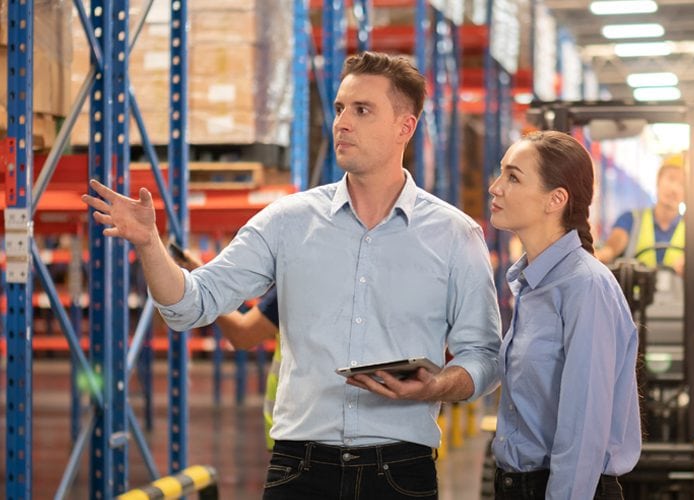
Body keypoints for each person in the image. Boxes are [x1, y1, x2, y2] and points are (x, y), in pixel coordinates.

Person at [82, 51, 502, 500]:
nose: (343, 122)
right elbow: (190, 305)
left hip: (401, 470)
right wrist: (149, 244)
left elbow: (485, 356)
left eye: (362, 110)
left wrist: (435, 386)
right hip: (299, 468)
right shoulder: (287, 222)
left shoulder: (455, 236)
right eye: (340, 109)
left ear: (405, 126)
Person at [488, 131, 641, 499]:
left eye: (513, 177)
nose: (495, 187)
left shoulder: (584, 287)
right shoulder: (533, 285)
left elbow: (583, 430)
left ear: (555, 200)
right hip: (516, 486)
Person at [175, 250, 281, 448]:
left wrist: (203, 288)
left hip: (298, 434)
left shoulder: (300, 281)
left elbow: (243, 333)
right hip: (310, 431)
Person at [596, 155, 685, 273]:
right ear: (658, 181)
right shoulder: (630, 220)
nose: (674, 189)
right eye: (671, 179)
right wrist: (597, 256)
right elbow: (611, 249)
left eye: (682, 184)